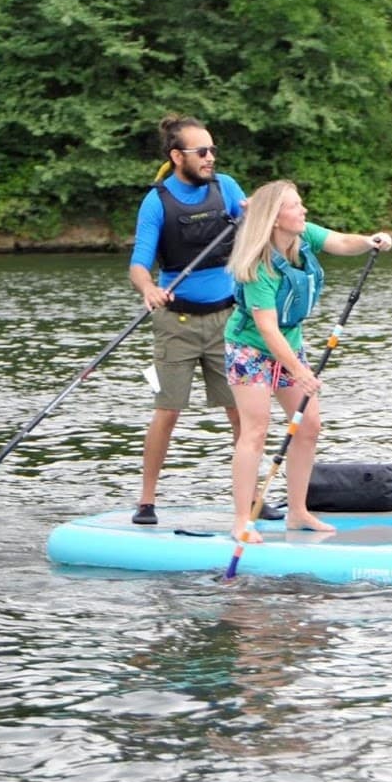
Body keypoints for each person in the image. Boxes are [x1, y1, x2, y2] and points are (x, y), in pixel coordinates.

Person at [223, 179, 392, 544]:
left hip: (290, 342)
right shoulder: (258, 267)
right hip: (249, 349)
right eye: (294, 206)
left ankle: (298, 512)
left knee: (310, 424)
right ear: (274, 219)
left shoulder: (304, 236)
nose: (303, 211)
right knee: (255, 429)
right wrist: (300, 372)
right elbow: (267, 329)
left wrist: (368, 241)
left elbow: (342, 242)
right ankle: (241, 519)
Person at [126, 114, 269, 526]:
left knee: (241, 413)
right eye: (201, 152)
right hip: (178, 323)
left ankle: (254, 498)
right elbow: (138, 265)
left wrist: (253, 216)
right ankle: (147, 501)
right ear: (176, 156)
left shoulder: (226, 188)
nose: (210, 158)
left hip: (229, 321)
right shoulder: (157, 202)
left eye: (212, 150)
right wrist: (149, 289)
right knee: (167, 411)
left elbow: (254, 228)